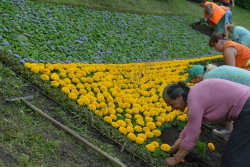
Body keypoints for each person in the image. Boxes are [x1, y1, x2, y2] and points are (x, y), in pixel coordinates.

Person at [163, 79, 250, 166]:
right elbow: (190, 128)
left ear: (179, 97)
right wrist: (174, 148)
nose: (172, 108)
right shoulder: (195, 93)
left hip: (247, 109)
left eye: (171, 104)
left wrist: (175, 159)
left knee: (233, 157)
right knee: (243, 153)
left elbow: (190, 139)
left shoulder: (195, 103)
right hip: (246, 102)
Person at [185, 64, 250, 141]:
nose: (194, 85)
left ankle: (230, 134)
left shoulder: (208, 79)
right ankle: (229, 132)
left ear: (198, 77)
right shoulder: (215, 72)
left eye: (193, 82)